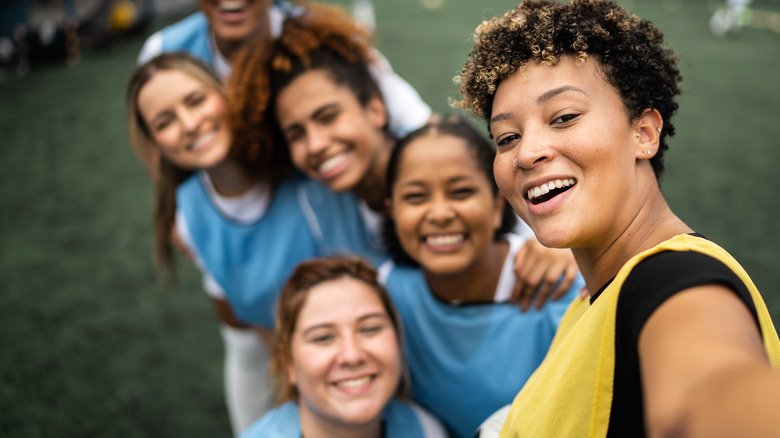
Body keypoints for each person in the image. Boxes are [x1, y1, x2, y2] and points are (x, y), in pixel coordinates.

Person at [454, 1, 780, 437]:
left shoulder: (675, 281)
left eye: (564, 117)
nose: (527, 152)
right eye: (507, 137)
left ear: (644, 133)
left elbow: (715, 389)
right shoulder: (592, 298)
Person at [230, 4, 581, 308]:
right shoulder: (320, 203)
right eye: (297, 134)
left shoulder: (439, 153)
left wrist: (557, 247)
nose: (317, 143)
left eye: (328, 117)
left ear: (376, 109)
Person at [125, 52, 360, 434]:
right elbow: (237, 318)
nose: (188, 124)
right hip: (295, 372)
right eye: (164, 122)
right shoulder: (188, 218)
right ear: (155, 143)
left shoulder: (305, 161)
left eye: (196, 100)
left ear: (226, 92)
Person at [379, 116, 583, 438]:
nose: (440, 213)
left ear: (496, 205)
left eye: (461, 192)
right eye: (416, 197)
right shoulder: (387, 295)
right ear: (392, 212)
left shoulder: (561, 288)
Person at [136, 0, 431, 138]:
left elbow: (417, 122)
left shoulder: (326, 39)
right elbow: (155, 142)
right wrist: (175, 206)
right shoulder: (163, 54)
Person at [239, 255, 449, 438]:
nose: (352, 355)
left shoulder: (425, 429)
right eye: (322, 338)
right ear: (289, 362)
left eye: (370, 329)